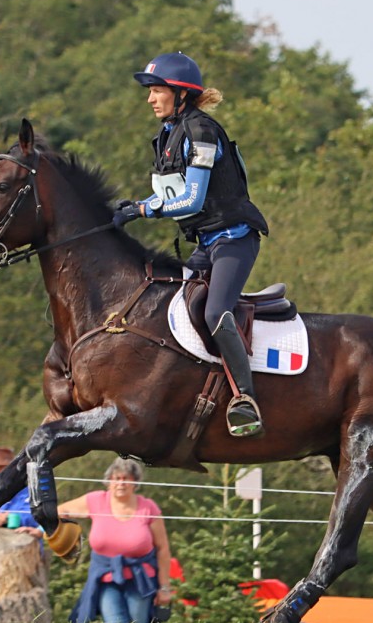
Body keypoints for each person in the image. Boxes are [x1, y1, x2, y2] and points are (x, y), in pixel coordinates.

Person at [112, 51, 270, 438]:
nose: (150, 98)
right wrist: (133, 207)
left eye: (157, 90)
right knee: (167, 305)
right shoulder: (168, 135)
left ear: (180, 93)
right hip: (205, 243)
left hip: (234, 239)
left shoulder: (201, 131)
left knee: (216, 311)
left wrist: (141, 210)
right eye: (149, 91)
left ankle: (246, 400)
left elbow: (192, 200)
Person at [61, 458, 174, 623]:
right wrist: (42, 529)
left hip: (140, 579)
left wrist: (164, 587)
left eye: (126, 479)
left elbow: (163, 548)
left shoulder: (148, 507)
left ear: (135, 483)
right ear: (109, 482)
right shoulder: (95, 501)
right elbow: (59, 511)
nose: (121, 483)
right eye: (116, 478)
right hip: (106, 577)